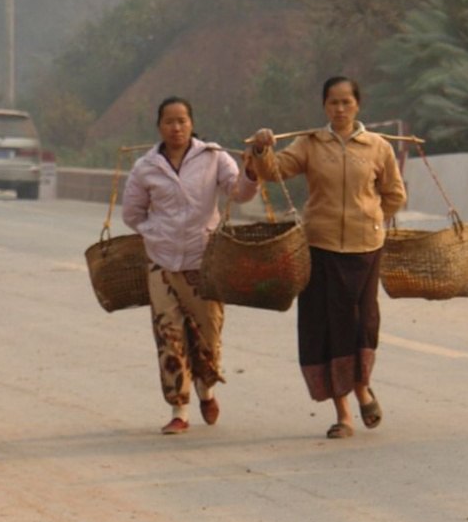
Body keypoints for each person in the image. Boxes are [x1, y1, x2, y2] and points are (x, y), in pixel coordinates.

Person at [246, 75, 406, 439]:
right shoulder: (310, 144)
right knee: (328, 328)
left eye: (346, 102)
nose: (340, 108)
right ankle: (344, 413)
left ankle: (363, 386)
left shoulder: (378, 147)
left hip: (366, 249)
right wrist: (261, 148)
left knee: (362, 323)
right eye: (333, 102)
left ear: (357, 105)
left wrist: (374, 218)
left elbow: (394, 193)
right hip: (320, 247)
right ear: (324, 106)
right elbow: (272, 172)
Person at [122, 96, 258, 435]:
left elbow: (239, 192)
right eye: (169, 121)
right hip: (162, 264)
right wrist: (156, 233)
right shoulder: (146, 167)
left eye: (182, 120)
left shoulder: (213, 158)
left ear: (192, 123)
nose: (176, 127)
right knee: (170, 336)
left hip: (204, 262)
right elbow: (132, 213)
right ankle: (178, 409)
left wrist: (253, 168)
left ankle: (206, 390)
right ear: (159, 126)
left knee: (208, 335)